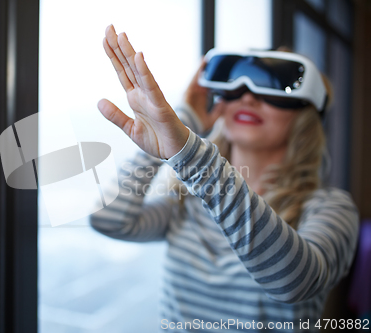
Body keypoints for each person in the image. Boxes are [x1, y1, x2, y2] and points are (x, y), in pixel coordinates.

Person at [89, 24, 359, 332]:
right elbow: (108, 219)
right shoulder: (187, 202)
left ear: (306, 115)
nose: (248, 98)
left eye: (271, 85)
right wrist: (178, 124)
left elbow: (294, 283)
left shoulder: (330, 208)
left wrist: (188, 151)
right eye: (234, 86)